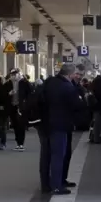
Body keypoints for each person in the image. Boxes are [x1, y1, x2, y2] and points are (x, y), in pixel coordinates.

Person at [44, 64, 83, 195]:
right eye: (75, 74)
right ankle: (56, 185)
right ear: (70, 74)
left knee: (53, 155)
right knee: (59, 155)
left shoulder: (50, 82)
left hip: (48, 123)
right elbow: (77, 105)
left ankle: (56, 181)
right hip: (60, 124)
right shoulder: (67, 87)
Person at [7, 68, 32, 151]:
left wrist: (26, 103)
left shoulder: (24, 82)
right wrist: (9, 93)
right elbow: (3, 93)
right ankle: (18, 143)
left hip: (21, 107)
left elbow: (31, 92)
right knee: (15, 125)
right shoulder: (9, 83)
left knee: (21, 125)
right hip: (12, 106)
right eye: (12, 74)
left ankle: (21, 144)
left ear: (19, 74)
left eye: (15, 74)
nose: (13, 76)